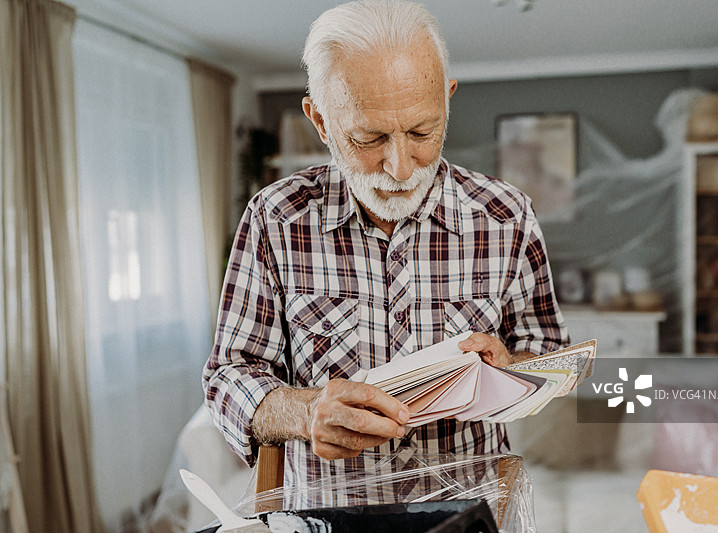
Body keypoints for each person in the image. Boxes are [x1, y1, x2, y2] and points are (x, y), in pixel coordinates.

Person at [203, 0, 569, 484]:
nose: (400, 167)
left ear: (447, 100)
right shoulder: (276, 219)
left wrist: (510, 370)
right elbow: (229, 378)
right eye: (369, 138)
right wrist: (306, 411)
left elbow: (550, 356)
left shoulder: (508, 216)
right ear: (320, 121)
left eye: (422, 131)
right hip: (329, 513)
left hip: (469, 506)